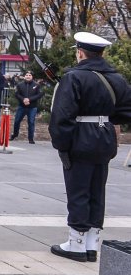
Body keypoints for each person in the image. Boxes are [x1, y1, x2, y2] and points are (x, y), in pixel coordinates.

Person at [49, 32, 131, 262]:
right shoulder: (116, 78)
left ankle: (76, 243)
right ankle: (91, 243)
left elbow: (62, 117)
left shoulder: (74, 77)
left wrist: (62, 145)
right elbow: (125, 112)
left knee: (78, 191)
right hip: (104, 139)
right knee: (97, 191)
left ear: (80, 53)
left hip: (80, 139)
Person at [10, 70, 42, 143]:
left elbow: (39, 94)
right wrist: (23, 99)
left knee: (31, 122)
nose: (28, 76)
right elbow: (17, 94)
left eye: (29, 75)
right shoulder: (19, 85)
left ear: (32, 77)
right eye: (26, 75)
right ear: (24, 76)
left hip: (32, 107)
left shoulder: (37, 85)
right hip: (22, 106)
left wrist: (29, 99)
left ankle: (30, 138)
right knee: (17, 121)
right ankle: (15, 134)